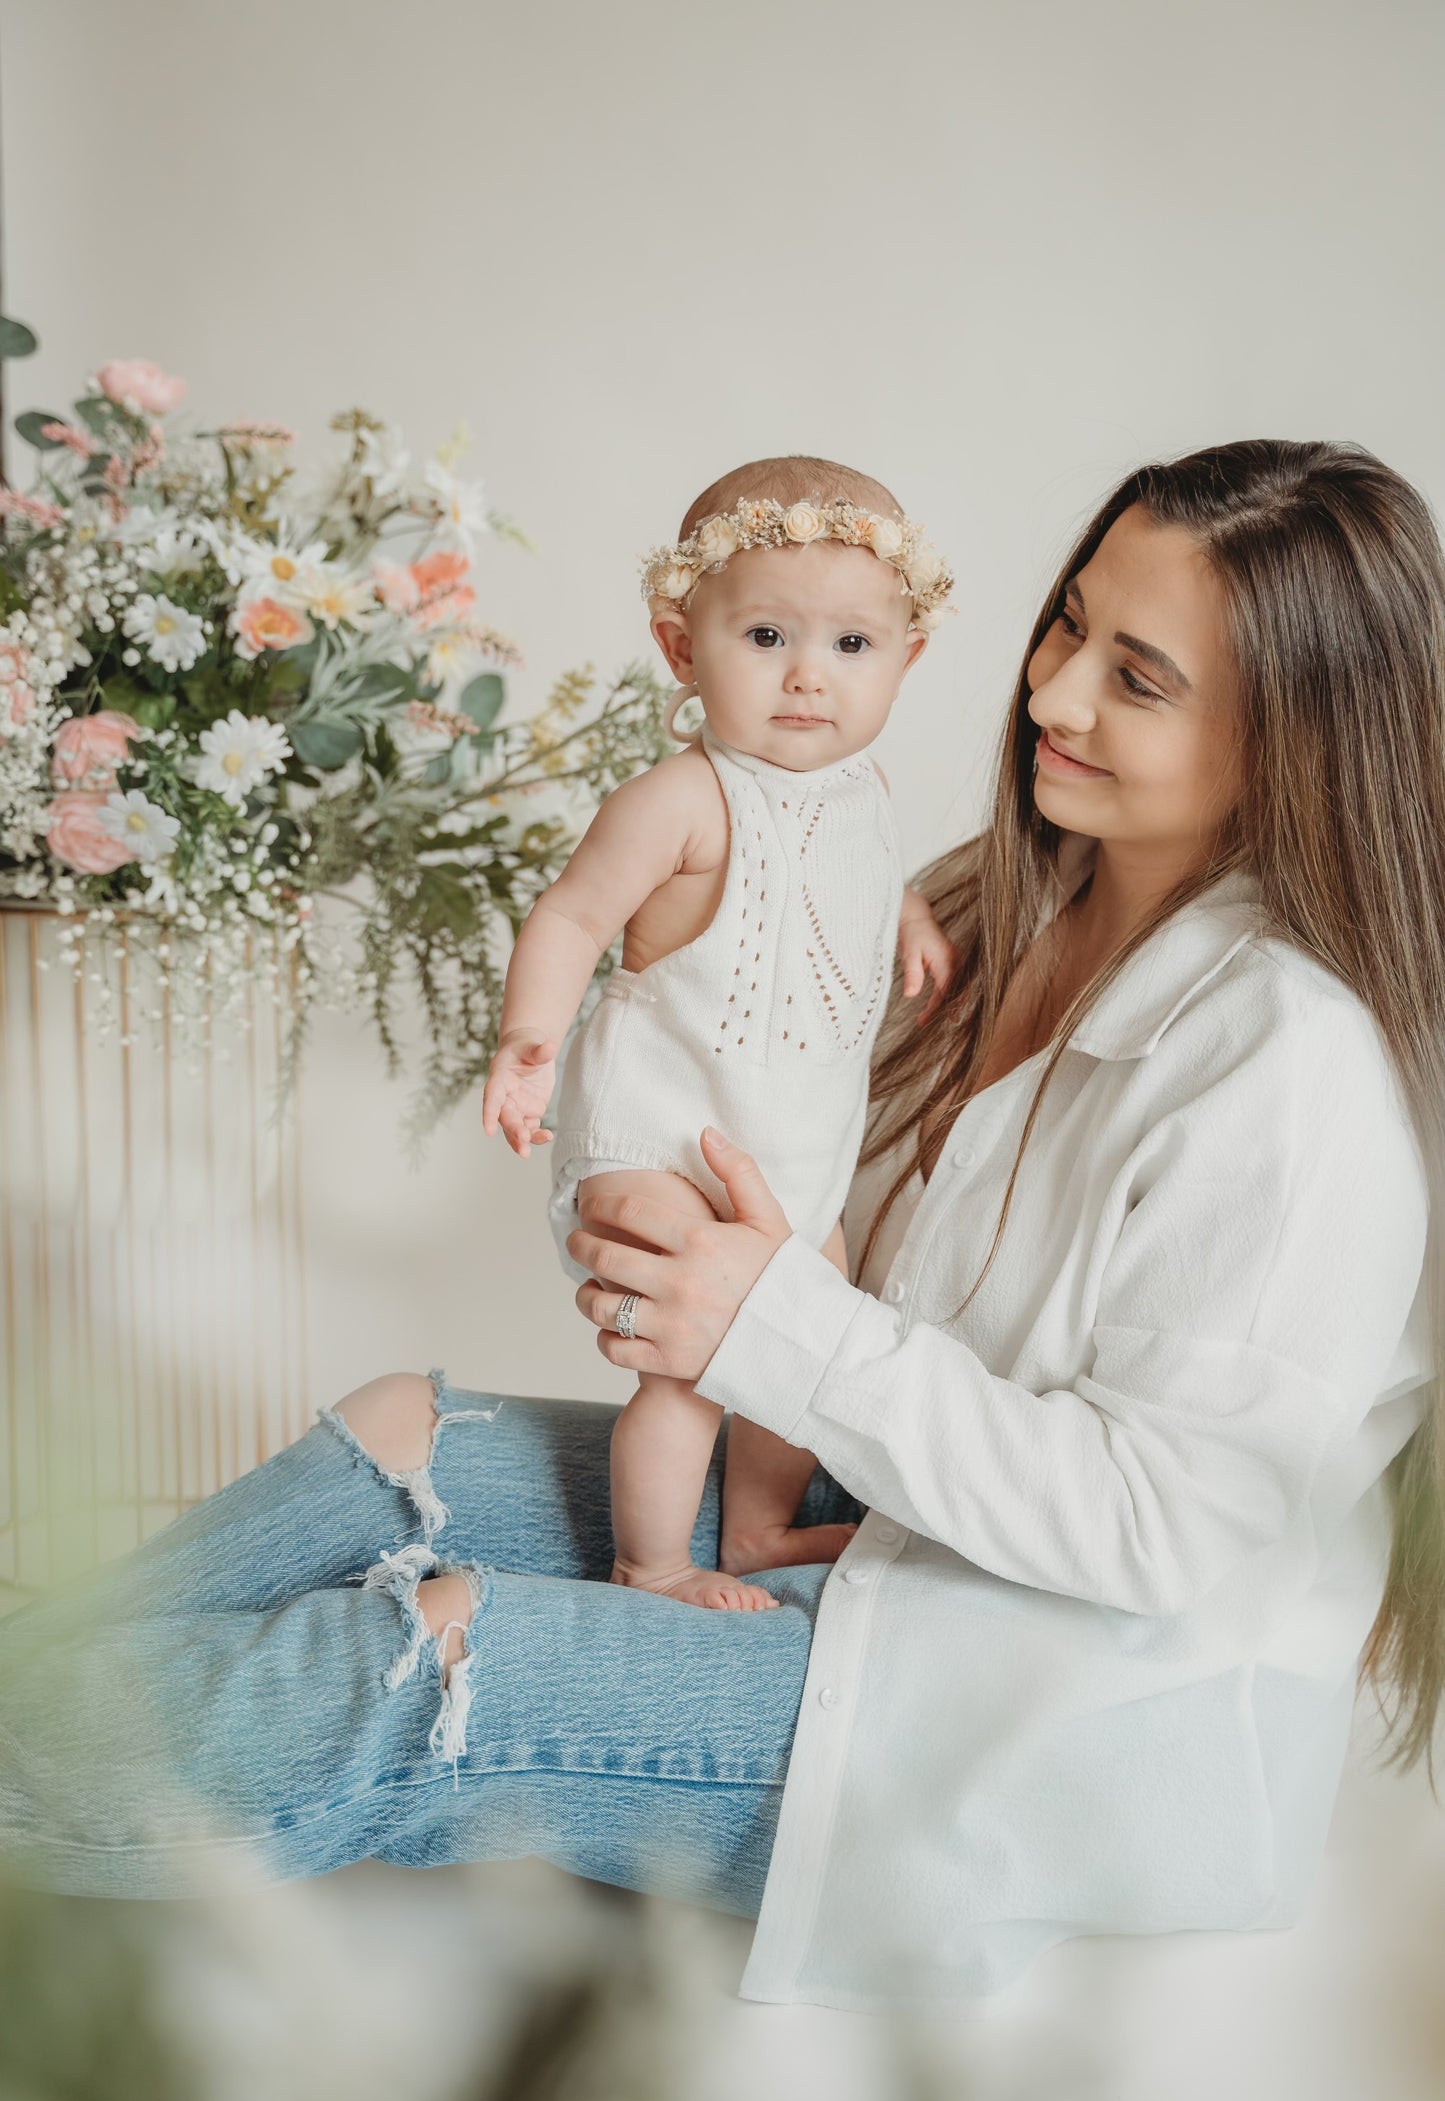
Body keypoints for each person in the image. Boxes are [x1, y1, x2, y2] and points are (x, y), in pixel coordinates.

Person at [1, 440, 1441, 2015]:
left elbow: (1167, 1534)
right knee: (394, 1431)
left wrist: (760, 1316)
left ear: (1291, 738)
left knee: (422, 1660)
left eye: (1139, 678)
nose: (1056, 696)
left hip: (1025, 1698)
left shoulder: (1290, 1069)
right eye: (1067, 625)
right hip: (877, 1521)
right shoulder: (981, 904)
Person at [481, 456, 956, 1609]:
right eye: (763, 638)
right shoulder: (679, 798)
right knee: (694, 1363)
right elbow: (571, 912)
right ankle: (649, 1563)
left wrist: (903, 913)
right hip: (660, 1145)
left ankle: (750, 1531)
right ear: (681, 647)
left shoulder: (865, 790)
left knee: (805, 1340)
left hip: (796, 1149)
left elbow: (847, 869)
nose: (807, 678)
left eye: (850, 645)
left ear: (905, 655)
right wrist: (528, 1042)